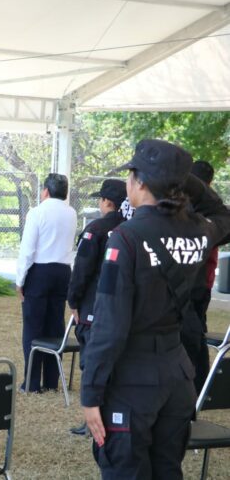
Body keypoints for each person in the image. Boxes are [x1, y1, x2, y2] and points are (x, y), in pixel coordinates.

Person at [81, 140, 230, 479]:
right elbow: (223, 214)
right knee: (167, 469)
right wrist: (181, 178)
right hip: (177, 377)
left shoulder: (126, 237)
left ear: (141, 182)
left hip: (132, 381)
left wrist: (91, 395)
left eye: (131, 175)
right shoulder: (198, 230)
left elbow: (109, 327)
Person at [66, 179, 126, 436]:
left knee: (91, 363)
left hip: (93, 306)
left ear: (106, 202)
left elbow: (82, 269)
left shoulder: (96, 230)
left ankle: (93, 422)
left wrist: (73, 300)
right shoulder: (130, 229)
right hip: (120, 308)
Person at [16, 173, 77, 392]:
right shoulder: (71, 213)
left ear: (46, 191)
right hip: (63, 271)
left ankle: (32, 382)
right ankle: (51, 381)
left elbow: (27, 250)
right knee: (55, 325)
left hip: (40, 271)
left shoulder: (37, 212)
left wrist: (20, 279)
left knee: (33, 327)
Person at [189, 160, 218, 393]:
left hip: (194, 280)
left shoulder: (196, 207)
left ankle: (198, 385)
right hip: (202, 281)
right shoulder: (213, 206)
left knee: (193, 334)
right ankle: (200, 384)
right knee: (197, 331)